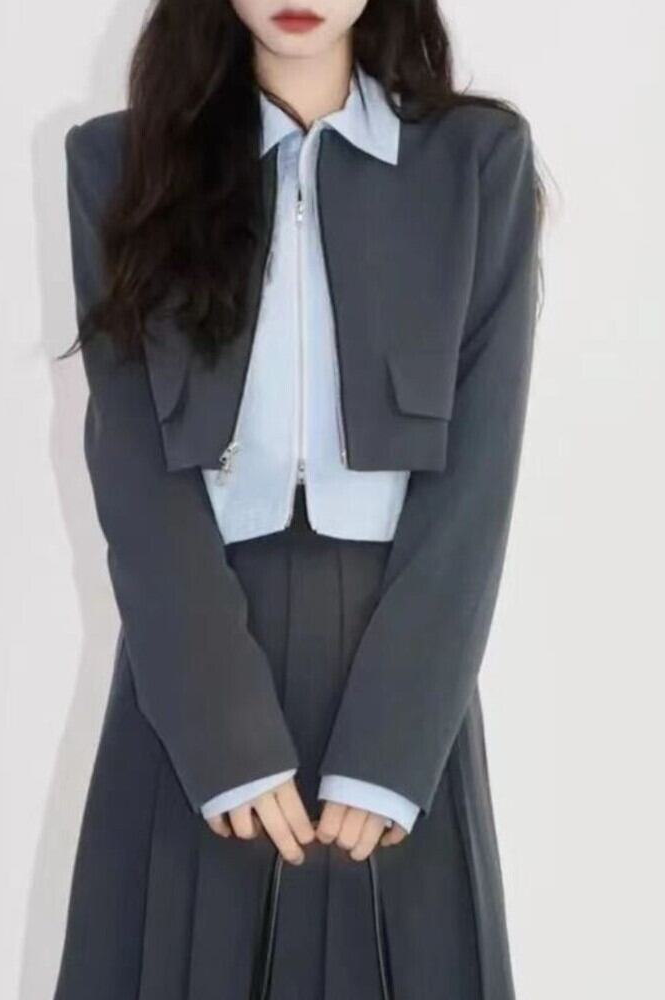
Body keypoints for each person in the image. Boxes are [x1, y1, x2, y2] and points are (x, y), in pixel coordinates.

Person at [53, 2, 544, 998]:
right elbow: (135, 469)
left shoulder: (476, 165)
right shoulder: (120, 166)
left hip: (400, 668)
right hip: (193, 663)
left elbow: (478, 483)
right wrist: (218, 730)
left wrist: (395, 745)